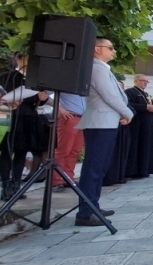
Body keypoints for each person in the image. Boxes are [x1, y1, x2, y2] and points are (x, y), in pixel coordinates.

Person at [75, 39, 132, 226]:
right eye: (110, 47)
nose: (114, 51)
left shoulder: (103, 67)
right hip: (100, 122)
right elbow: (110, 96)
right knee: (93, 167)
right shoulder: (97, 68)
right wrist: (127, 112)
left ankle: (93, 205)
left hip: (107, 121)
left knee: (99, 168)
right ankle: (85, 212)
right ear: (97, 49)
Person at [0, 53, 49, 201]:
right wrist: (35, 97)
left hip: (30, 118)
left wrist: (42, 98)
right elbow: (8, 95)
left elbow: (41, 99)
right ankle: (6, 186)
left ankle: (16, 184)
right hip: (13, 117)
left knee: (21, 152)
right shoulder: (8, 76)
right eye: (25, 58)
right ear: (18, 59)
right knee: (8, 152)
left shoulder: (36, 78)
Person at [51, 92, 86, 192]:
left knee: (75, 151)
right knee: (64, 150)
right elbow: (45, 96)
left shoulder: (83, 83)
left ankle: (68, 178)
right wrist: (61, 110)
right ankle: (57, 181)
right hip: (70, 116)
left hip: (82, 117)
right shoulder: (65, 81)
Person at [125, 75, 153, 180]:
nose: (146, 83)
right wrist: (145, 107)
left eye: (147, 81)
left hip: (147, 125)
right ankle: (133, 171)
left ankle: (143, 170)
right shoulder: (130, 92)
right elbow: (127, 104)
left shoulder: (146, 94)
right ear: (136, 80)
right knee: (136, 146)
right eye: (143, 81)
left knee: (145, 146)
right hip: (136, 124)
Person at [103, 80, 132, 186]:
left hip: (123, 128)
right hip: (109, 126)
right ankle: (107, 178)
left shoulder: (124, 99)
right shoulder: (107, 97)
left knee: (121, 153)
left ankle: (118, 176)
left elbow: (131, 109)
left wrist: (127, 116)